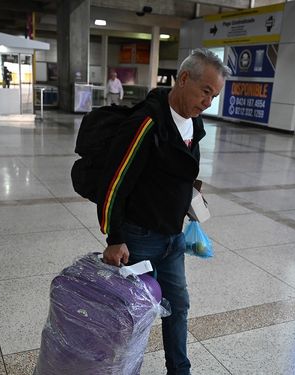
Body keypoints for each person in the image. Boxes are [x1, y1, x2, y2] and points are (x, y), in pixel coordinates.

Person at [97, 49, 229, 375]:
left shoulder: (192, 124)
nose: (209, 102)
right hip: (139, 238)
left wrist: (191, 197)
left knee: (178, 306)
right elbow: (115, 183)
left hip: (173, 239)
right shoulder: (147, 123)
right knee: (136, 313)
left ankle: (179, 371)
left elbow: (177, 171)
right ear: (184, 79)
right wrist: (115, 238)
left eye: (214, 95)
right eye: (206, 91)